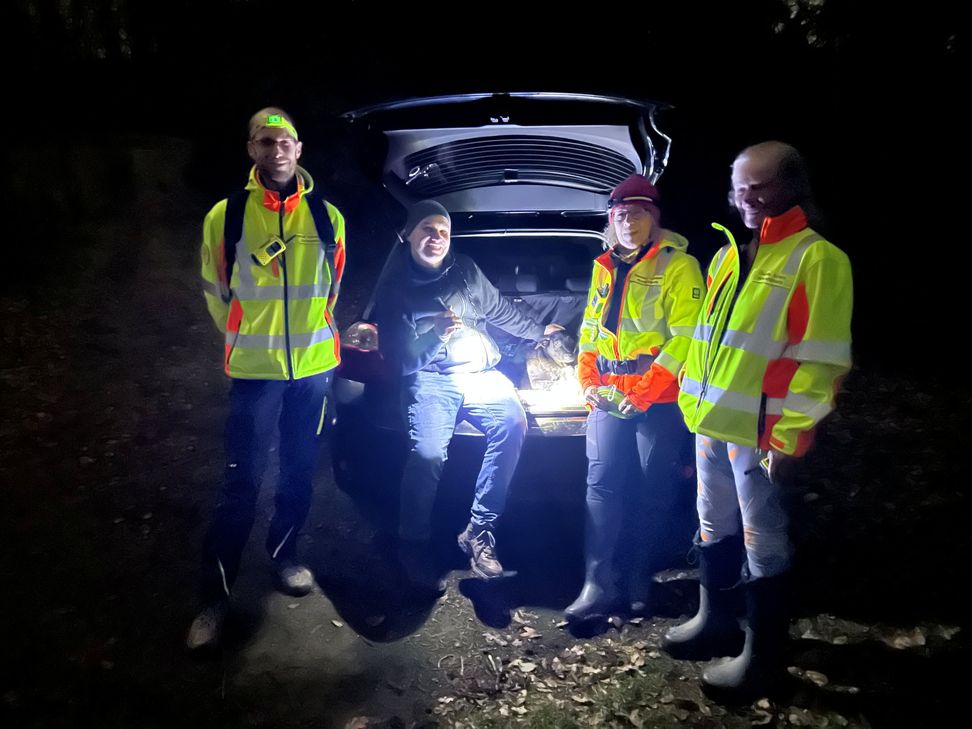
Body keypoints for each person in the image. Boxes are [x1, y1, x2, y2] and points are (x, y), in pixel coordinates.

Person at [663, 141, 853, 701]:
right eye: (739, 187)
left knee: (764, 545)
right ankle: (715, 621)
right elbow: (706, 343)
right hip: (710, 424)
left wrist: (791, 437)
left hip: (763, 437)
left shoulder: (818, 260)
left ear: (791, 186)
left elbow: (823, 362)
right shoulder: (728, 254)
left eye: (760, 186)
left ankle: (763, 659)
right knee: (711, 525)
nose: (746, 197)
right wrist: (688, 404)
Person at [187, 107, 346, 649]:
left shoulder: (328, 216)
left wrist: (312, 343)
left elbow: (332, 290)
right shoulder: (226, 215)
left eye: (285, 141)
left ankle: (285, 556)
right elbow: (215, 289)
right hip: (255, 373)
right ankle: (215, 595)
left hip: (314, 372)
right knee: (243, 479)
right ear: (251, 149)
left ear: (299, 149)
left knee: (299, 470)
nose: (276, 150)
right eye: (264, 141)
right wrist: (243, 338)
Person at [374, 200, 562, 590]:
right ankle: (411, 543)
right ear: (409, 235)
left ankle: (479, 530)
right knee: (427, 454)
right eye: (427, 228)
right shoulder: (395, 288)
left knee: (512, 422)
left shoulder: (466, 272)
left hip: (481, 373)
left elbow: (500, 311)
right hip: (430, 379)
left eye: (443, 231)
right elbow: (398, 363)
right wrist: (434, 336)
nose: (437, 238)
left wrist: (540, 333)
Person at [564, 174, 704, 626]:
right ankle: (597, 584)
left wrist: (643, 395)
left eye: (638, 213)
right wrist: (586, 381)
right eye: (621, 214)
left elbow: (685, 339)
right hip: (607, 394)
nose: (628, 221)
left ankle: (639, 579)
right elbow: (590, 328)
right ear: (611, 219)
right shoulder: (603, 265)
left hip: (658, 401)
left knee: (652, 489)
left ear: (653, 219)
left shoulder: (680, 266)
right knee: (600, 485)